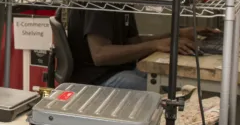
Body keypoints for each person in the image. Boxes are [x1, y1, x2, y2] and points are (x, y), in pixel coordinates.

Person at [65, 10, 203, 90]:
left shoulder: (122, 1)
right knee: (164, 91)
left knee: (174, 82)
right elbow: (100, 55)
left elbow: (133, 42)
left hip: (120, 70)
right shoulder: (99, 6)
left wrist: (174, 35)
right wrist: (155, 45)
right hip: (97, 80)